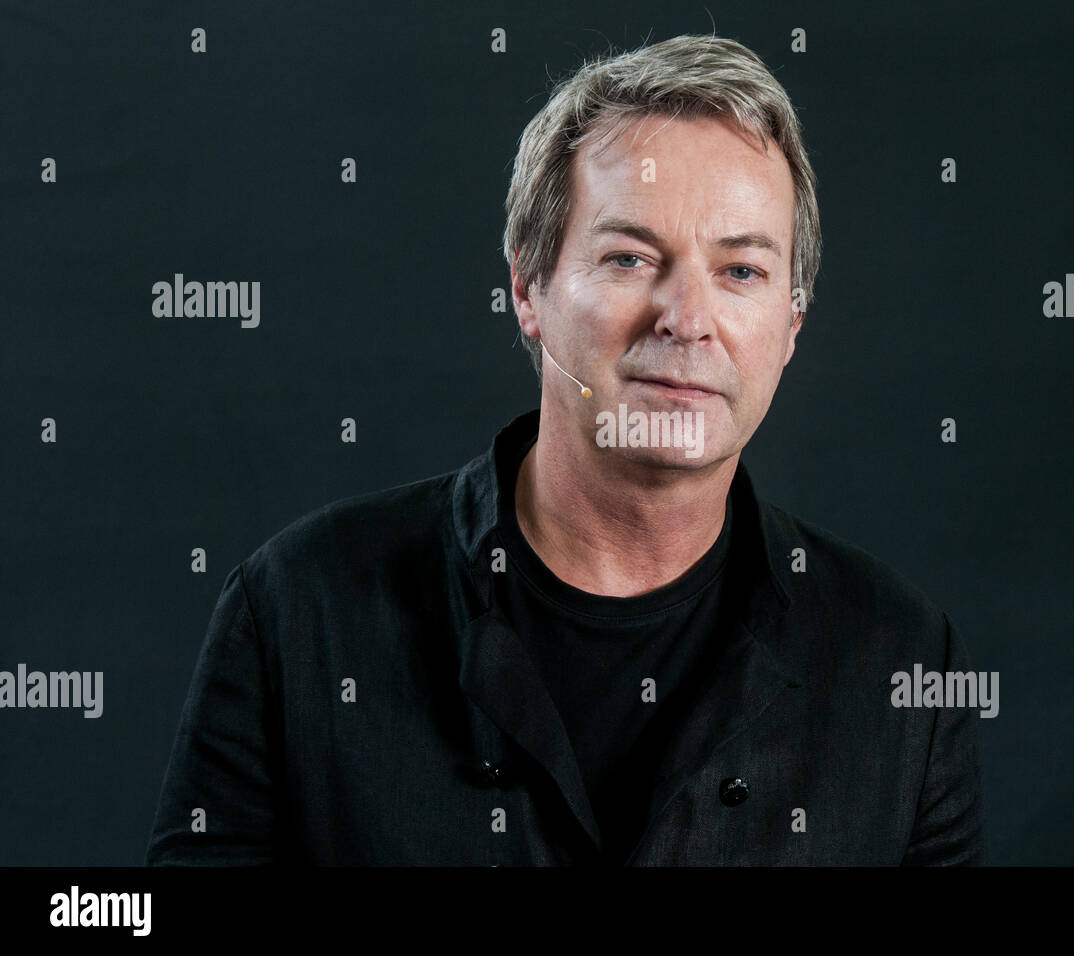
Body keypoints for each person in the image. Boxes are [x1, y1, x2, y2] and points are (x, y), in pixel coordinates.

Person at [145, 33, 985, 866]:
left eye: (741, 272)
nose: (685, 318)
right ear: (527, 288)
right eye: (628, 257)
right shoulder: (298, 615)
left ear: (791, 323)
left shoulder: (901, 664)